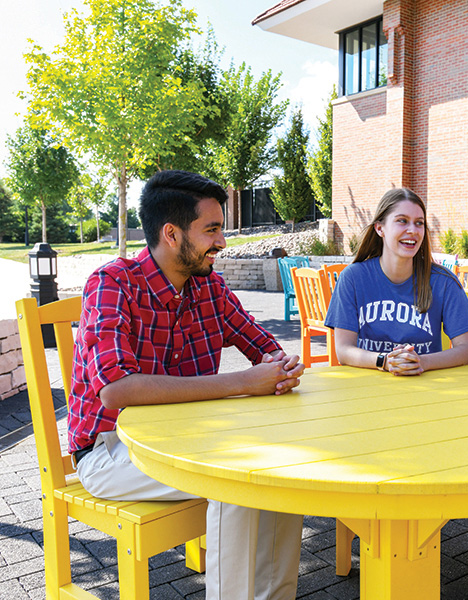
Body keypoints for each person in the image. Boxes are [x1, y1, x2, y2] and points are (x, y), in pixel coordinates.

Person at [68, 170, 305, 600]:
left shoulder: (208, 286)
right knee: (236, 479)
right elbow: (116, 390)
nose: (222, 242)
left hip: (191, 440)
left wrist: (280, 366)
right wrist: (243, 383)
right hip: (110, 452)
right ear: (172, 234)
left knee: (279, 469)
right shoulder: (111, 284)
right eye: (212, 229)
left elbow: (264, 347)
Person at [325, 187, 468, 374]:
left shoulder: (444, 282)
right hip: (367, 387)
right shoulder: (353, 278)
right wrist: (384, 361)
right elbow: (343, 350)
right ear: (380, 228)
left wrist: (422, 362)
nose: (412, 230)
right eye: (402, 221)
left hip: (426, 387)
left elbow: (467, 350)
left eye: (419, 223)